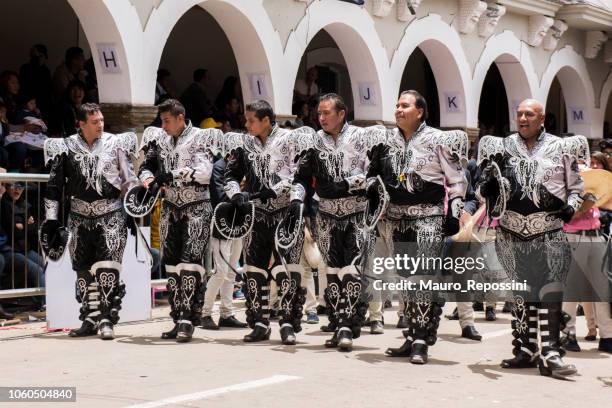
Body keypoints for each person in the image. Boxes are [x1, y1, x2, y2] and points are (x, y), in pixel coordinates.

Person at [477, 99, 587, 379]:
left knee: (550, 290)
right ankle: (526, 349)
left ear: (542, 120)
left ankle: (550, 351)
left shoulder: (561, 147)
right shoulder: (502, 148)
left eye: (529, 114)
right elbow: (482, 190)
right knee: (522, 293)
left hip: (549, 229)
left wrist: (570, 208)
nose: (523, 118)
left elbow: (576, 188)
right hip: (511, 231)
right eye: (519, 114)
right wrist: (488, 186)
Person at [369, 91, 468, 363]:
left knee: (422, 280)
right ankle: (412, 336)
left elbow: (458, 181)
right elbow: (373, 176)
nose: (398, 110)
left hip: (428, 219)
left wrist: (455, 213)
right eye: (397, 105)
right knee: (405, 282)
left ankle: (422, 341)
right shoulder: (385, 140)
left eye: (404, 105)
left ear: (420, 111)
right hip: (394, 219)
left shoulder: (438, 139)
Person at [41, 103, 138, 340]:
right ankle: (90, 317)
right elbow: (54, 185)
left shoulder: (116, 143)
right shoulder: (65, 147)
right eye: (95, 122)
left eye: (102, 120)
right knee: (82, 270)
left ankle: (107, 319)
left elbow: (128, 178)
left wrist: (136, 203)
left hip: (111, 214)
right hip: (79, 217)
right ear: (81, 124)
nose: (100, 125)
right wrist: (51, 219)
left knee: (108, 268)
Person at [223, 100, 312, 344]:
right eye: (246, 119)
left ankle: (287, 323)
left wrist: (281, 193)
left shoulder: (291, 140)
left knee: (287, 268)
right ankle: (260, 323)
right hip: (256, 215)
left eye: (251, 120)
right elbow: (231, 175)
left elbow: (300, 176)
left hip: (286, 213)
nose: (246, 124)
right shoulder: (243, 144)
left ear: (266, 120)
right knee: (255, 270)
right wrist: (235, 194)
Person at [290, 93, 371, 351]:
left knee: (352, 270)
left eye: (327, 113)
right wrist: (296, 201)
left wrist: (345, 185)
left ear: (341, 113)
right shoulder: (313, 142)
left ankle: (348, 325)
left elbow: (374, 173)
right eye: (319, 114)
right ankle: (338, 324)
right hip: (325, 216)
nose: (321, 118)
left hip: (357, 215)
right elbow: (301, 177)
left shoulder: (362, 138)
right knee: (332, 273)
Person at [138, 99, 221, 342]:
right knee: (172, 264)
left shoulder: (201, 137)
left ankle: (188, 319)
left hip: (197, 207)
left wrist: (170, 175)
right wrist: (148, 180)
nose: (163, 126)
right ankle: (177, 318)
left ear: (180, 118)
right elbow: (146, 166)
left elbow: (205, 173)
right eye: (161, 121)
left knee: (190, 264)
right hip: (170, 208)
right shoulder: (160, 139)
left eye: (167, 121)